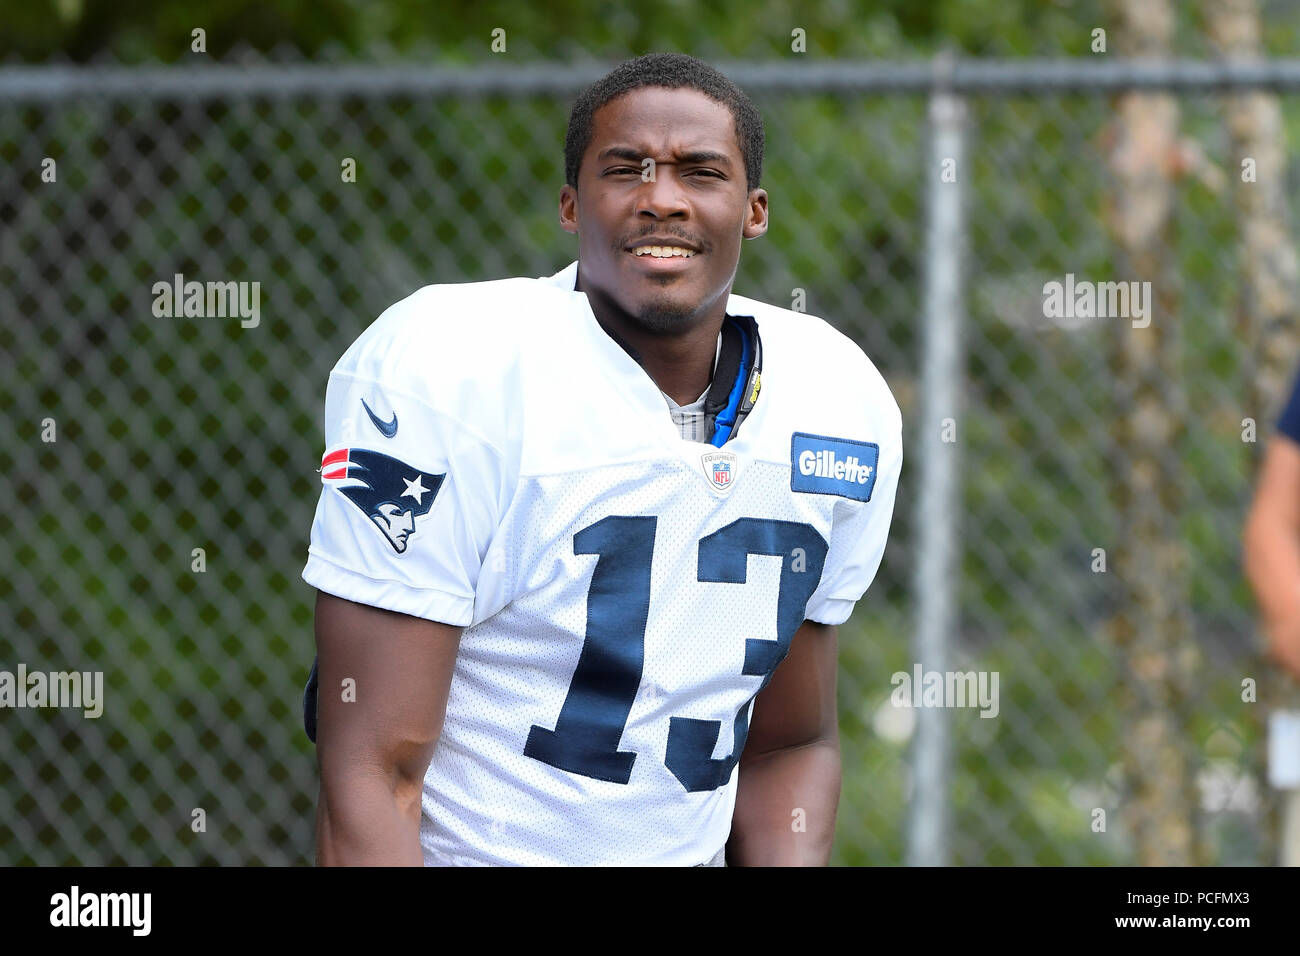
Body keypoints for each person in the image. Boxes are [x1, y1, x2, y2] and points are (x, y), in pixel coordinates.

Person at [300, 52, 902, 866]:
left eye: (700, 171)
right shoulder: (456, 373)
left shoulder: (835, 400)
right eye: (627, 170)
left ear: (753, 210)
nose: (662, 197)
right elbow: (373, 770)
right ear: (571, 205)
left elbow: (787, 746)